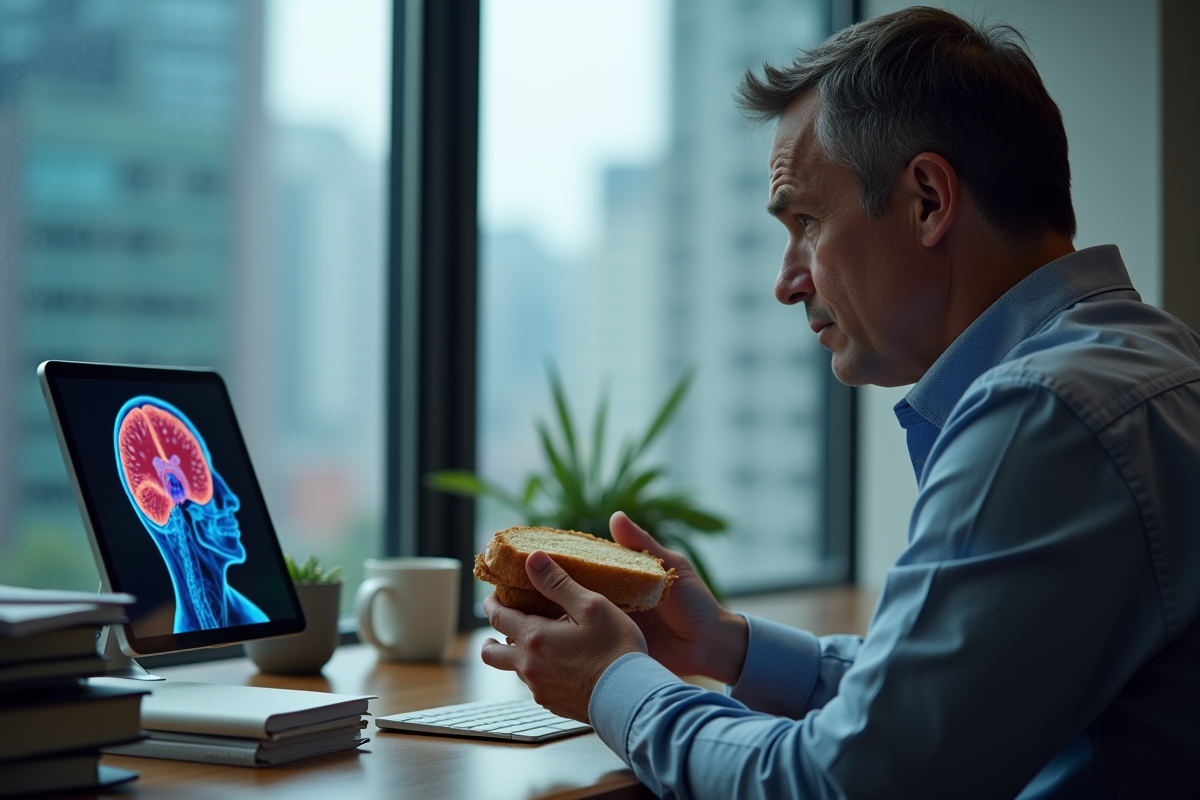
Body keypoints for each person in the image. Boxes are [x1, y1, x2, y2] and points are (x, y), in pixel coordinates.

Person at [481, 7, 1200, 798]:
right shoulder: (1148, 366)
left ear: (928, 199)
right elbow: (947, 694)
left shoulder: (1045, 415)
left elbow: (845, 782)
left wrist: (613, 684)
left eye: (806, 222)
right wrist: (726, 645)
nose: (787, 282)